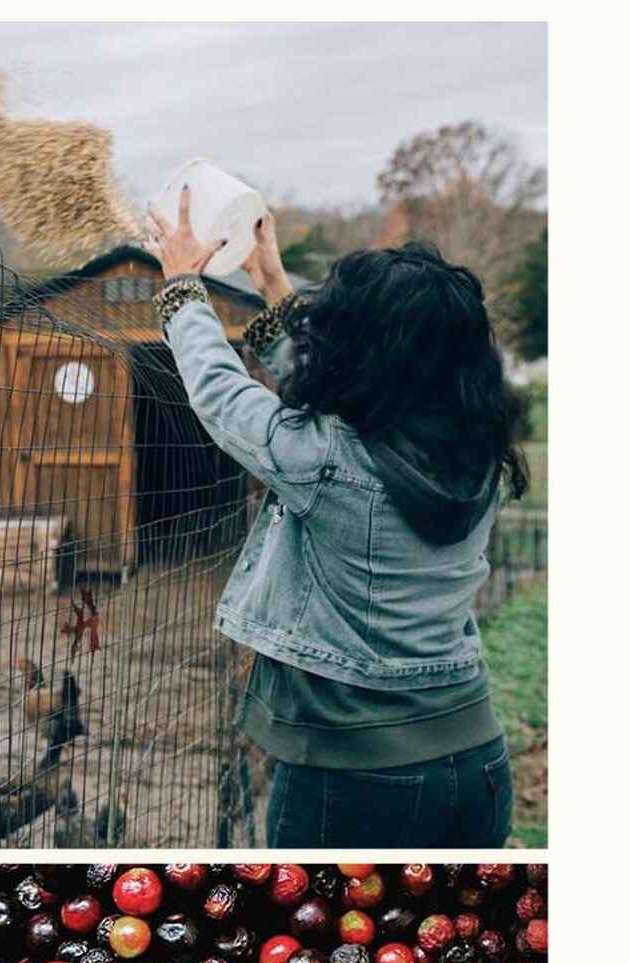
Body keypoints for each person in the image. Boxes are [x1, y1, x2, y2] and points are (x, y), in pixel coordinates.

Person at [148, 188, 529, 846]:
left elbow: (216, 388)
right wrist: (269, 277)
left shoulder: (323, 457)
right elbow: (346, 384)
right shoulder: (474, 448)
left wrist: (182, 285)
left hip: (353, 782)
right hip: (477, 764)